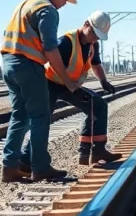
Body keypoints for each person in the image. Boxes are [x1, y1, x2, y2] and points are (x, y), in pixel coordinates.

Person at [0, 0, 79, 183]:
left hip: (9, 64)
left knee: (19, 116)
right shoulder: (48, 10)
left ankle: (9, 168)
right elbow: (50, 48)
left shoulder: (27, 3)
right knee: (40, 116)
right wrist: (66, 79)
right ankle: (40, 167)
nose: (64, 5)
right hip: (28, 65)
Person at [46, 11, 123, 166]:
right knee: (42, 120)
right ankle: (26, 160)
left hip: (69, 84)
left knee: (98, 105)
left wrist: (103, 81)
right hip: (49, 83)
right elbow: (53, 62)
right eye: (94, 34)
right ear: (86, 24)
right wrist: (68, 82)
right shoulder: (66, 42)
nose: (95, 38)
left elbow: (95, 63)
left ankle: (92, 152)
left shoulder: (93, 44)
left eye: (98, 36)